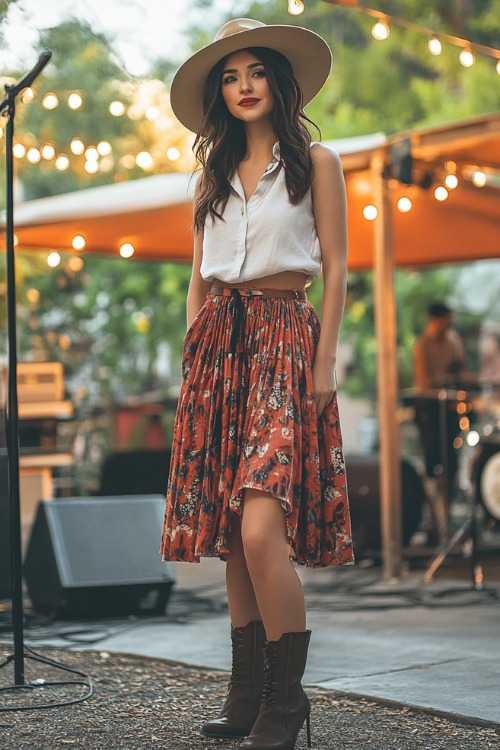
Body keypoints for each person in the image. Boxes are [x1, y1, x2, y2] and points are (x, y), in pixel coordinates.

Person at [160, 18, 353, 750]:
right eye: (230, 76)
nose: (244, 86)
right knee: (232, 540)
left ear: (278, 79)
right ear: (220, 92)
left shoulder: (318, 164)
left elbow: (336, 266)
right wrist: (193, 354)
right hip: (220, 351)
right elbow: (197, 275)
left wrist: (325, 361)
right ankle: (245, 692)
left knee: (261, 529)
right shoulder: (210, 176)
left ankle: (287, 700)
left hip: (285, 341)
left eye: (256, 72)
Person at [413, 302, 473, 525]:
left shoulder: (454, 340)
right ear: (434, 320)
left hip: (449, 410)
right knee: (432, 464)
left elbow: (462, 370)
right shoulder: (422, 345)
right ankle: (434, 520)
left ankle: (447, 518)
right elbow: (424, 382)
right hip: (429, 409)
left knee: (451, 463)